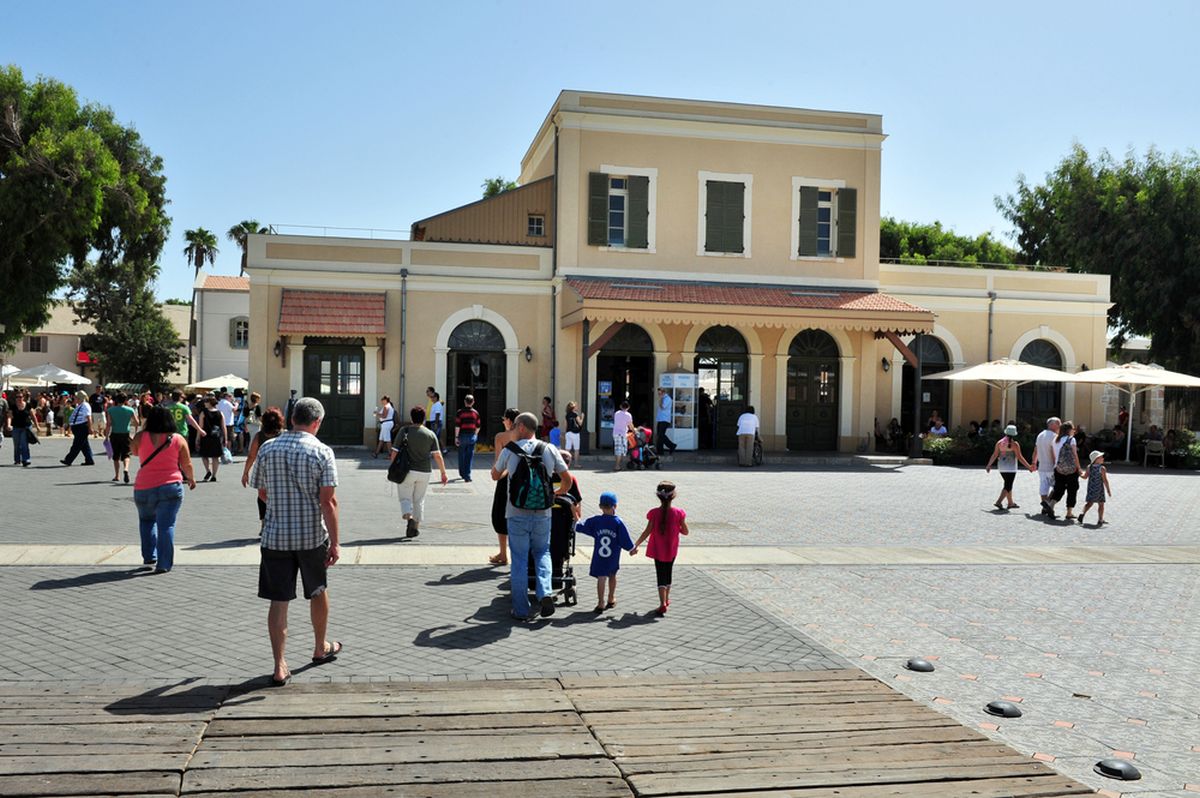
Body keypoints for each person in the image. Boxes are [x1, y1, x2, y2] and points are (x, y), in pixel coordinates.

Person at [252, 397, 342, 687]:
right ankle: (320, 647)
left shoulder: (267, 447)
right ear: (316, 422)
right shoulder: (322, 451)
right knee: (317, 590)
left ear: (292, 419)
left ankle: (279, 665)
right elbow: (328, 503)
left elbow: (262, 492)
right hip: (310, 537)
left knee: (279, 601)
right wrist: (336, 543)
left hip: (275, 536)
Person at [491, 411, 573, 621]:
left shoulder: (511, 449)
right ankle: (544, 592)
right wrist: (555, 494)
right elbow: (567, 480)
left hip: (516, 512)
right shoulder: (550, 449)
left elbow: (494, 475)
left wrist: (506, 469)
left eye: (514, 427)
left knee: (518, 559)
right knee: (542, 552)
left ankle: (520, 609)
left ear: (521, 427)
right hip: (543, 513)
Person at [131, 405, 197, 573]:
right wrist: (191, 478)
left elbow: (134, 452)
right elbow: (186, 463)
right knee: (166, 526)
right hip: (170, 486)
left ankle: (149, 555)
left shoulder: (140, 436)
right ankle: (164, 563)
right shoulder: (178, 439)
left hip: (144, 486)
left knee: (146, 521)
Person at [390, 405, 448, 539]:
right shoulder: (430, 434)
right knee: (419, 499)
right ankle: (415, 526)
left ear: (411, 418)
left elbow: (394, 452)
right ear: (424, 419)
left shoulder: (404, 431)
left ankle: (409, 517)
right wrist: (443, 473)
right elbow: (438, 455)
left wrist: (393, 466)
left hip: (406, 471)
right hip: (425, 472)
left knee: (405, 497)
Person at [633, 480, 689, 617]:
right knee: (668, 573)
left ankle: (662, 603)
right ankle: (667, 599)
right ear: (673, 496)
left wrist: (637, 544)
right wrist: (678, 528)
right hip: (672, 549)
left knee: (660, 575)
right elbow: (686, 531)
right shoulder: (679, 513)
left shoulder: (653, 513)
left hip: (658, 549)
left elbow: (647, 531)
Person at [576, 491, 636, 614]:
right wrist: (632, 549)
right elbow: (625, 539)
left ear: (600, 506)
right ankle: (611, 597)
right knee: (612, 575)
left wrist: (575, 513)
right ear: (615, 506)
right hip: (613, 556)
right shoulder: (618, 522)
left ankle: (600, 602)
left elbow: (580, 526)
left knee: (601, 578)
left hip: (599, 555)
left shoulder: (596, 520)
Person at [242, 406, 286, 528]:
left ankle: (264, 523)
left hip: (265, 471)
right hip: (281, 470)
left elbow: (251, 456)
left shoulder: (259, 436)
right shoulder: (284, 435)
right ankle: (280, 516)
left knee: (262, 495)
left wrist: (245, 473)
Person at [489, 408, 520, 566]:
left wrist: (497, 473)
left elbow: (498, 462)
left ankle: (503, 553)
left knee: (500, 515)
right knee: (518, 516)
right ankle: (518, 555)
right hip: (521, 479)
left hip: (505, 480)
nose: (503, 422)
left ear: (509, 420)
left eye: (504, 419)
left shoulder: (501, 437)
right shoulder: (523, 436)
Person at [985, 424, 1032, 510]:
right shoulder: (1015, 444)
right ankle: (998, 502)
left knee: (1007, 484)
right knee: (1008, 486)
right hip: (1011, 468)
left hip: (1001, 467)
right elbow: (1020, 457)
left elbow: (995, 455)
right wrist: (1029, 467)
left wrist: (989, 465)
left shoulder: (999, 443)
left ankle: (1010, 503)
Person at [1047, 421, 1083, 521]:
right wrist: (1079, 468)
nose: (1074, 431)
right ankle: (1069, 512)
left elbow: (1054, 454)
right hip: (1071, 469)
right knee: (1072, 489)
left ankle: (1051, 505)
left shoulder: (1055, 440)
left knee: (1059, 488)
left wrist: (1056, 465)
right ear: (1069, 430)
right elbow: (1075, 455)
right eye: (1073, 429)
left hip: (1058, 468)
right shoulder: (1072, 440)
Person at [1029, 416, 1062, 517]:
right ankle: (1048, 504)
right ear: (1053, 425)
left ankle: (1044, 507)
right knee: (1058, 487)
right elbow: (1054, 452)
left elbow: (1036, 450)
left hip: (1041, 466)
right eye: (1059, 424)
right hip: (1051, 466)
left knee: (1044, 487)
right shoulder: (1054, 436)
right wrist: (1057, 465)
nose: (1060, 426)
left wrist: (1033, 463)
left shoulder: (1040, 435)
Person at [105, 392, 139, 484]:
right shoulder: (130, 410)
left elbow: (108, 424)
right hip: (126, 434)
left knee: (116, 456)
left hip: (115, 434)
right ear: (125, 400)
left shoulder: (111, 410)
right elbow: (137, 422)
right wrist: (134, 433)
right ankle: (126, 469)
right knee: (126, 454)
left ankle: (117, 475)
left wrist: (106, 436)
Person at [60, 390, 96, 467]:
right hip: (78, 427)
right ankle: (89, 459)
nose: (74, 398)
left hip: (82, 427)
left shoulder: (85, 405)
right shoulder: (80, 405)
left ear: (79, 398)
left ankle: (68, 459)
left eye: (76, 397)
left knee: (76, 445)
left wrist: (90, 428)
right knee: (84, 445)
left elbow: (88, 417)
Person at [1078, 450, 1112, 526]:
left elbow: (1085, 477)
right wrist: (1108, 490)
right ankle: (1100, 519)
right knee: (1101, 504)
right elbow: (1105, 480)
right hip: (1099, 489)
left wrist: (1079, 473)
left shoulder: (1089, 467)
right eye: (1101, 457)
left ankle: (1082, 513)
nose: (1103, 458)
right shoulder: (1102, 468)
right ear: (1096, 459)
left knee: (1089, 503)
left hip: (1090, 489)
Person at [198, 395, 227, 482]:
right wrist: (225, 438)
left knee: (204, 455)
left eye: (206, 401)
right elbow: (223, 427)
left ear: (210, 403)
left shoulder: (203, 413)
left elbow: (200, 426)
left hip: (205, 436)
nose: (205, 403)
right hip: (216, 437)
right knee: (215, 457)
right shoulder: (220, 413)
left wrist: (197, 437)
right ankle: (214, 475)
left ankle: (208, 470)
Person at [454, 394, 481, 482]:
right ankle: (467, 476)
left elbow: (457, 425)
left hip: (462, 436)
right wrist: (475, 435)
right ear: (473, 402)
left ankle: (462, 473)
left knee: (461, 455)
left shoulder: (460, 412)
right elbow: (478, 426)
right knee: (469, 457)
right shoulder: (476, 413)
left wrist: (456, 437)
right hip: (471, 436)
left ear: (465, 402)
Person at [9, 394, 35, 467]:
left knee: (24, 444)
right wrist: (9, 424)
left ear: (23, 398)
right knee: (17, 445)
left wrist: (37, 426)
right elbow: (10, 416)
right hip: (16, 427)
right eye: (17, 397)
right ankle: (17, 459)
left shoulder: (28, 405)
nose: (19, 398)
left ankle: (26, 459)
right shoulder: (13, 406)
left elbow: (33, 415)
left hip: (26, 427)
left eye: (20, 397)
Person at [655, 388, 678, 456]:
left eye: (660, 393)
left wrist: (661, 399)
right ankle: (671, 446)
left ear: (663, 392)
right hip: (660, 419)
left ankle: (662, 450)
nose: (659, 395)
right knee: (660, 435)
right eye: (658, 393)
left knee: (661, 435)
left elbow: (663, 407)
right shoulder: (663, 398)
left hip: (665, 419)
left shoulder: (667, 399)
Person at [612, 400, 633, 472]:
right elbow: (630, 425)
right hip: (623, 434)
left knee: (617, 449)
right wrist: (634, 430)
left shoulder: (616, 413)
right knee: (622, 450)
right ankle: (617, 466)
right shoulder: (628, 415)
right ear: (628, 407)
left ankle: (618, 465)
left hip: (615, 433)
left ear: (621, 406)